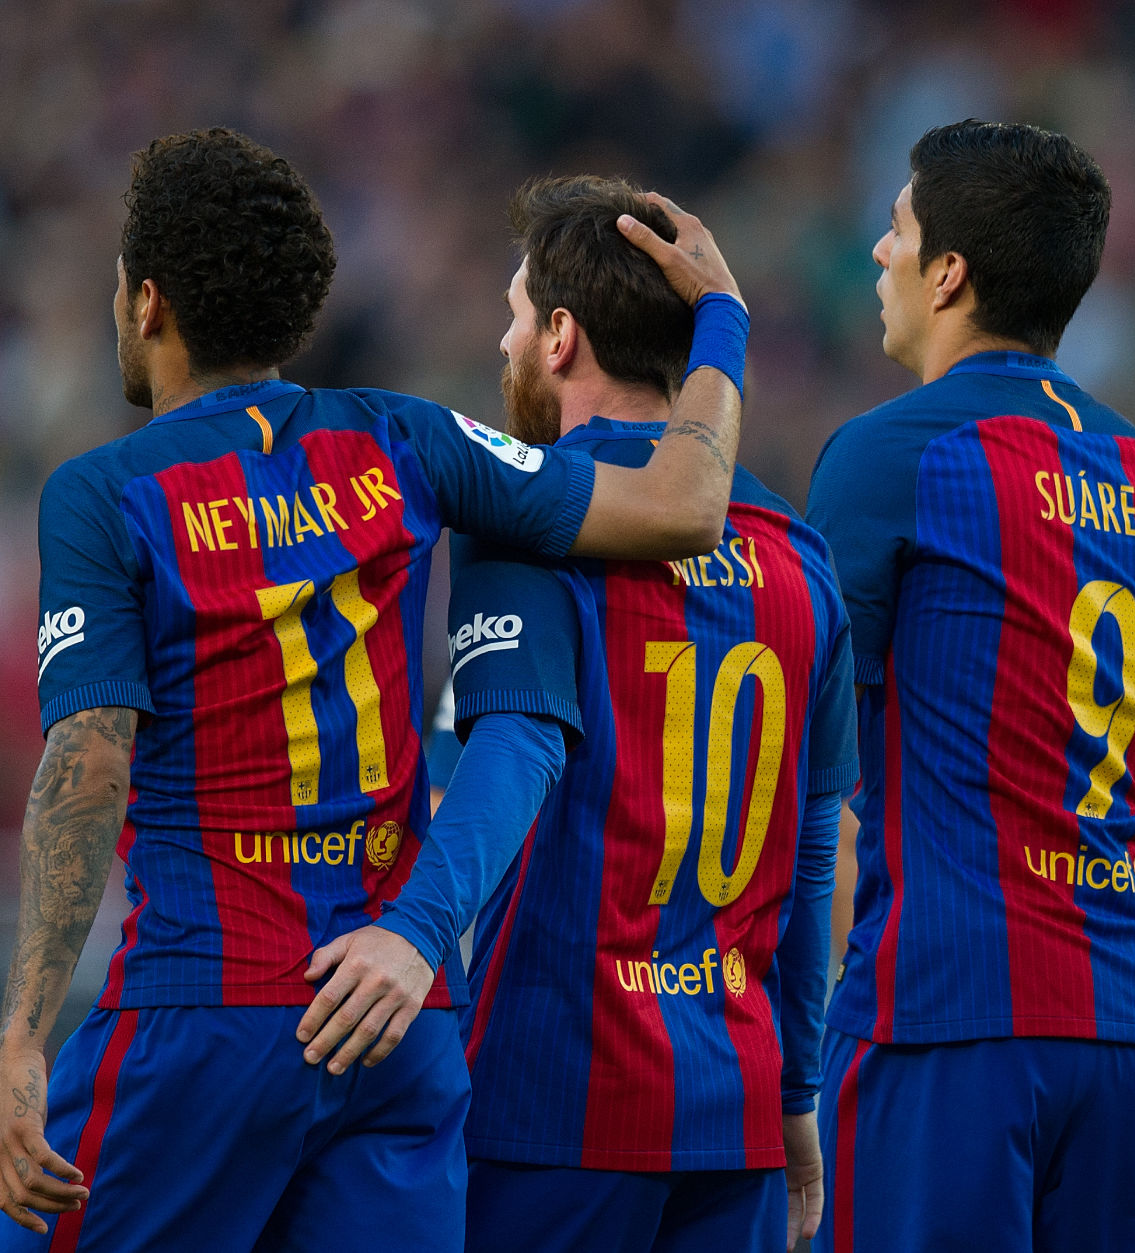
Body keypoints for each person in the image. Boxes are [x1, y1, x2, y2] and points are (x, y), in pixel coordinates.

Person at [0, 129, 750, 1253]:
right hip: (397, 1021)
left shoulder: (104, 494)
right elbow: (687, 504)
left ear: (148, 302)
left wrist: (21, 1035)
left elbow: (88, 762)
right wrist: (721, 315)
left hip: (203, 1015)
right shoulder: (409, 437)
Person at [298, 175, 858, 1253]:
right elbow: (815, 849)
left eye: (515, 317)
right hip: (733, 1110)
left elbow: (517, 746)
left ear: (561, 337)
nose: (503, 344)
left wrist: (415, 927)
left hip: (559, 1098)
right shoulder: (803, 558)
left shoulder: (534, 511)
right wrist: (796, 1088)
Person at [805, 120, 1135, 1252]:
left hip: (949, 1018)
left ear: (948, 273)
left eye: (897, 229)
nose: (880, 251)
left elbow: (796, 756)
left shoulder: (891, 455)